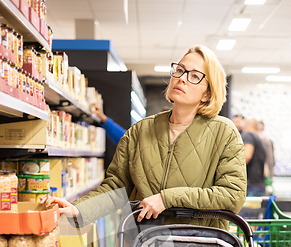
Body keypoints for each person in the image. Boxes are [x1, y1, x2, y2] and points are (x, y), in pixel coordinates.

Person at [44, 45, 246, 229]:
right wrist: (79, 209)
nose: (182, 78)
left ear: (207, 94)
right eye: (180, 70)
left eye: (194, 76)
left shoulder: (224, 133)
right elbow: (116, 187)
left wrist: (167, 199)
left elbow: (232, 196)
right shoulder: (139, 132)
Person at [241, 118, 266, 196]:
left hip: (251, 186)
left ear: (244, 126)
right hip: (259, 184)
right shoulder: (259, 139)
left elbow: (247, 156)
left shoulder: (248, 135)